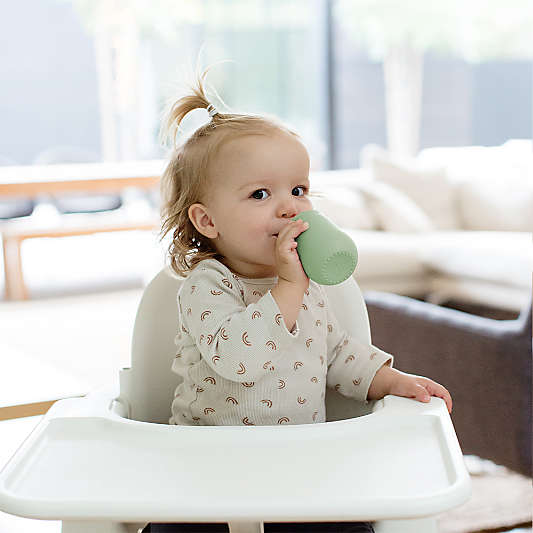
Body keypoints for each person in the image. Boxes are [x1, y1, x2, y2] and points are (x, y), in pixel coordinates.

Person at [144, 68, 452, 533]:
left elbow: (334, 353)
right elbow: (239, 357)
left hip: (303, 471)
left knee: (354, 521)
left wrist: (391, 379)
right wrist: (288, 289)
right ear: (207, 221)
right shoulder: (206, 287)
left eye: (299, 190)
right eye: (261, 194)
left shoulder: (308, 286)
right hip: (208, 475)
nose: (289, 207)